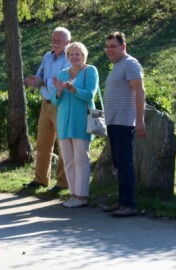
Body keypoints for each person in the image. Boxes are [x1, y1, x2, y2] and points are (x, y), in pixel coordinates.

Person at [101, 32, 148, 217]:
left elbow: (139, 91)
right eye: (107, 47)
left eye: (113, 46)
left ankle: (130, 204)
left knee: (125, 164)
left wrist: (139, 121)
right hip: (114, 122)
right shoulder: (118, 66)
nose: (110, 50)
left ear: (123, 47)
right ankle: (122, 201)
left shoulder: (130, 63)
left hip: (125, 122)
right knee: (119, 164)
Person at [23, 27, 71, 192]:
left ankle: (62, 183)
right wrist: (32, 81)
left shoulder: (70, 57)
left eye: (59, 40)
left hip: (62, 103)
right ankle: (40, 179)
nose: (55, 42)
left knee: (63, 143)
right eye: (54, 38)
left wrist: (43, 82)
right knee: (43, 142)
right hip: (46, 103)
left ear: (68, 42)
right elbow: (40, 76)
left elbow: (63, 81)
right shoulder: (47, 56)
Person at [51, 42, 99, 208]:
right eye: (71, 54)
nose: (74, 57)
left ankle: (82, 196)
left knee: (81, 159)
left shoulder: (90, 71)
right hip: (64, 122)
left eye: (78, 54)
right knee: (68, 161)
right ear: (68, 56)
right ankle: (73, 193)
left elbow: (90, 94)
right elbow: (54, 101)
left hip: (81, 122)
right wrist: (58, 92)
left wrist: (73, 90)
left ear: (84, 55)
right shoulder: (63, 73)